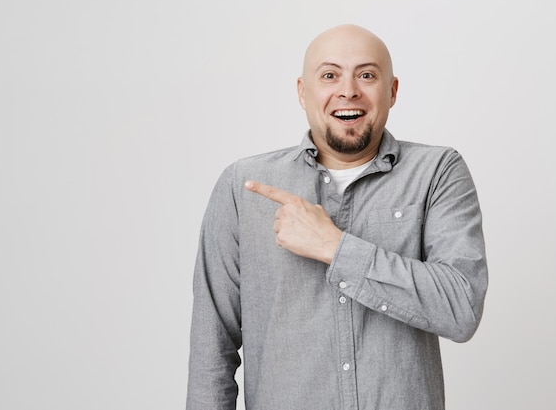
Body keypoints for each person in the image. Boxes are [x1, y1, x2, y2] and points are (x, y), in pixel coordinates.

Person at [186, 24, 488, 410]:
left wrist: (335, 247)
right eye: (330, 75)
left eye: (367, 75)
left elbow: (461, 308)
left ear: (392, 91)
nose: (348, 90)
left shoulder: (438, 171)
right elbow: (212, 347)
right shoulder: (242, 187)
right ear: (302, 92)